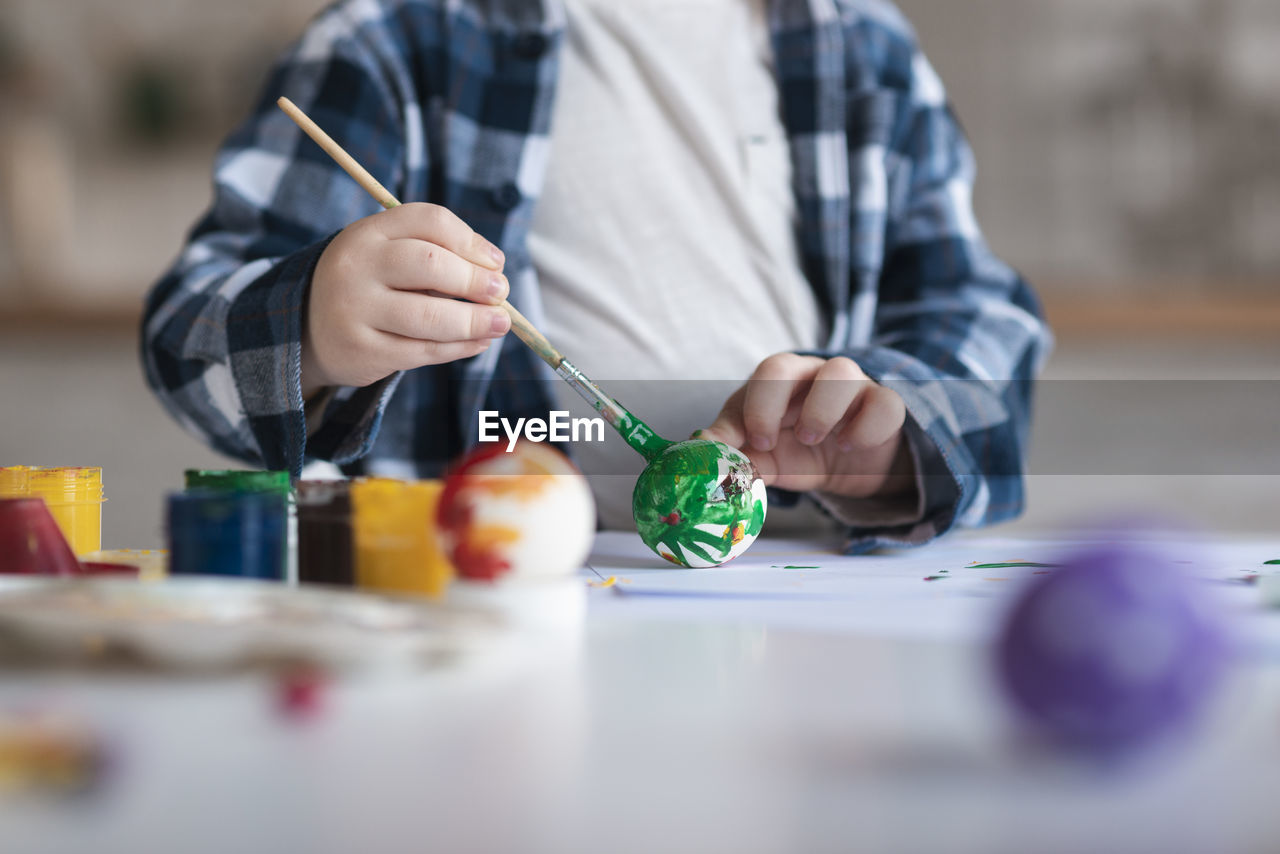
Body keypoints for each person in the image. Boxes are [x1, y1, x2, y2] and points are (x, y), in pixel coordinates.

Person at [141, 0, 1051, 551]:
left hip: (793, 586)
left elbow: (978, 327)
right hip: (478, 605)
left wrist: (895, 442)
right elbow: (188, 336)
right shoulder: (393, 36)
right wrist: (309, 327)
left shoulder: (863, 48)